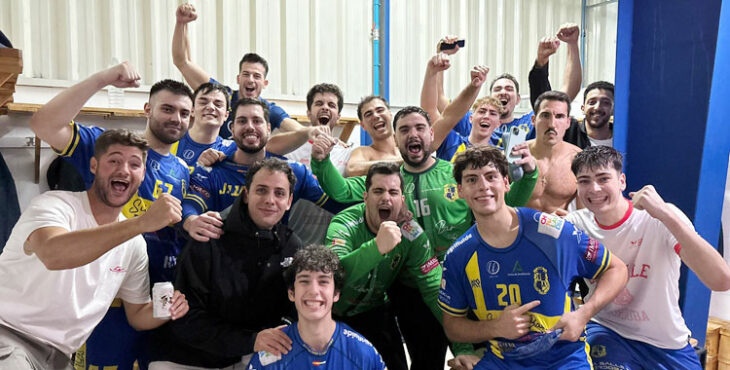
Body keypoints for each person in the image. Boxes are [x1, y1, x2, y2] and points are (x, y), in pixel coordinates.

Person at [29, 61, 193, 370]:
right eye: (168, 109)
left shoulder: (182, 169)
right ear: (147, 109)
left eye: (184, 113)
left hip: (157, 301)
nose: (177, 119)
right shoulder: (112, 151)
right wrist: (101, 78)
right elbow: (44, 125)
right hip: (109, 300)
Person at [0, 129, 188, 370]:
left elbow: (138, 314)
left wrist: (166, 310)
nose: (124, 170)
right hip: (8, 335)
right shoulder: (55, 205)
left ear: (142, 175)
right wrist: (141, 223)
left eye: (134, 164)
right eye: (114, 161)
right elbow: (53, 254)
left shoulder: (134, 244)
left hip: (59, 356)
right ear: (94, 166)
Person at [439, 145, 627, 369]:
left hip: (564, 359)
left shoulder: (552, 233)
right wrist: (495, 328)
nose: (483, 186)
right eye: (471, 180)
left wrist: (584, 314)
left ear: (507, 183)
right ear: (460, 190)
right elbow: (452, 326)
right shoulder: (458, 255)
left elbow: (617, 269)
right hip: (503, 361)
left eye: (491, 176)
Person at [565, 146, 730, 369]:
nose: (594, 188)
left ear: (621, 181)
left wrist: (665, 214)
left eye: (603, 178)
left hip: (666, 342)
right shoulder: (576, 225)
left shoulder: (657, 218)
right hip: (607, 330)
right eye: (584, 181)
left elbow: (720, 280)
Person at [149, 158, 304, 369]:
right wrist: (250, 340)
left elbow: (294, 309)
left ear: (289, 201)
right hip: (190, 359)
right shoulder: (209, 236)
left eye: (279, 193)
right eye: (261, 190)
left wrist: (280, 331)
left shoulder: (292, 245)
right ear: (246, 194)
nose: (270, 200)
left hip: (254, 357)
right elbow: (185, 320)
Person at [324, 162, 444, 370]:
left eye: (393, 192)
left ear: (402, 200)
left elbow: (434, 288)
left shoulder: (411, 232)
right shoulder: (344, 223)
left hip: (375, 313)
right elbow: (334, 275)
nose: (386, 198)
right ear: (365, 197)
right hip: (332, 315)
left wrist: (463, 347)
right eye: (378, 191)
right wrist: (377, 247)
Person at [181, 98, 344, 244]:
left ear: (268, 128)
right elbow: (191, 204)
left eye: (257, 121)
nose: (250, 127)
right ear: (232, 129)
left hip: (273, 266)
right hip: (222, 267)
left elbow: (337, 204)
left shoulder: (293, 172)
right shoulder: (212, 169)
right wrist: (191, 220)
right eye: (242, 121)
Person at [424, 27, 582, 147]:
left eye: (509, 89)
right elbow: (439, 101)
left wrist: (573, 45)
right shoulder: (474, 121)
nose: (503, 92)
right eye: (498, 89)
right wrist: (441, 57)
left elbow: (566, 94)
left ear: (518, 99)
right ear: (489, 97)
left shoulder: (529, 123)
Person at [172, 3, 310, 139]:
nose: (250, 80)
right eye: (246, 74)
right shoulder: (221, 96)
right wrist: (181, 23)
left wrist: (314, 133)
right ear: (238, 79)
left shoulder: (269, 109)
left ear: (265, 83)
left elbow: (299, 130)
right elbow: (182, 62)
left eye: (256, 76)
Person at [247, 244, 386, 369]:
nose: (313, 290)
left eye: (323, 281)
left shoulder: (362, 353)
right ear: (291, 293)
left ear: (336, 294)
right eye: (304, 281)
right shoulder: (270, 355)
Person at [528, 30, 614, 148]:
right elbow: (546, 100)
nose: (597, 107)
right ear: (583, 108)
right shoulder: (569, 132)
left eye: (605, 102)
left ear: (614, 108)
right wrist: (542, 61)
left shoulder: (625, 136)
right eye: (592, 102)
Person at [525, 90, 582, 213]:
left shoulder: (579, 159)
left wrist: (571, 220)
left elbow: (585, 214)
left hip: (558, 229)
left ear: (568, 122)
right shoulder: (515, 154)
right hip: (517, 229)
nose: (552, 124)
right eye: (545, 115)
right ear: (534, 120)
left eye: (559, 116)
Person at [285, 83, 353, 173]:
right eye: (319, 104)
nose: (325, 107)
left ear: (338, 117)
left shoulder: (346, 154)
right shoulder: (291, 151)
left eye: (331, 105)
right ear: (309, 114)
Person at [344, 95, 402, 176]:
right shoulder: (363, 152)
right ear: (363, 125)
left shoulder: (407, 146)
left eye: (380, 110)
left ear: (390, 114)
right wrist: (401, 162)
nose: (375, 116)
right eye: (368, 114)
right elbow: (353, 169)